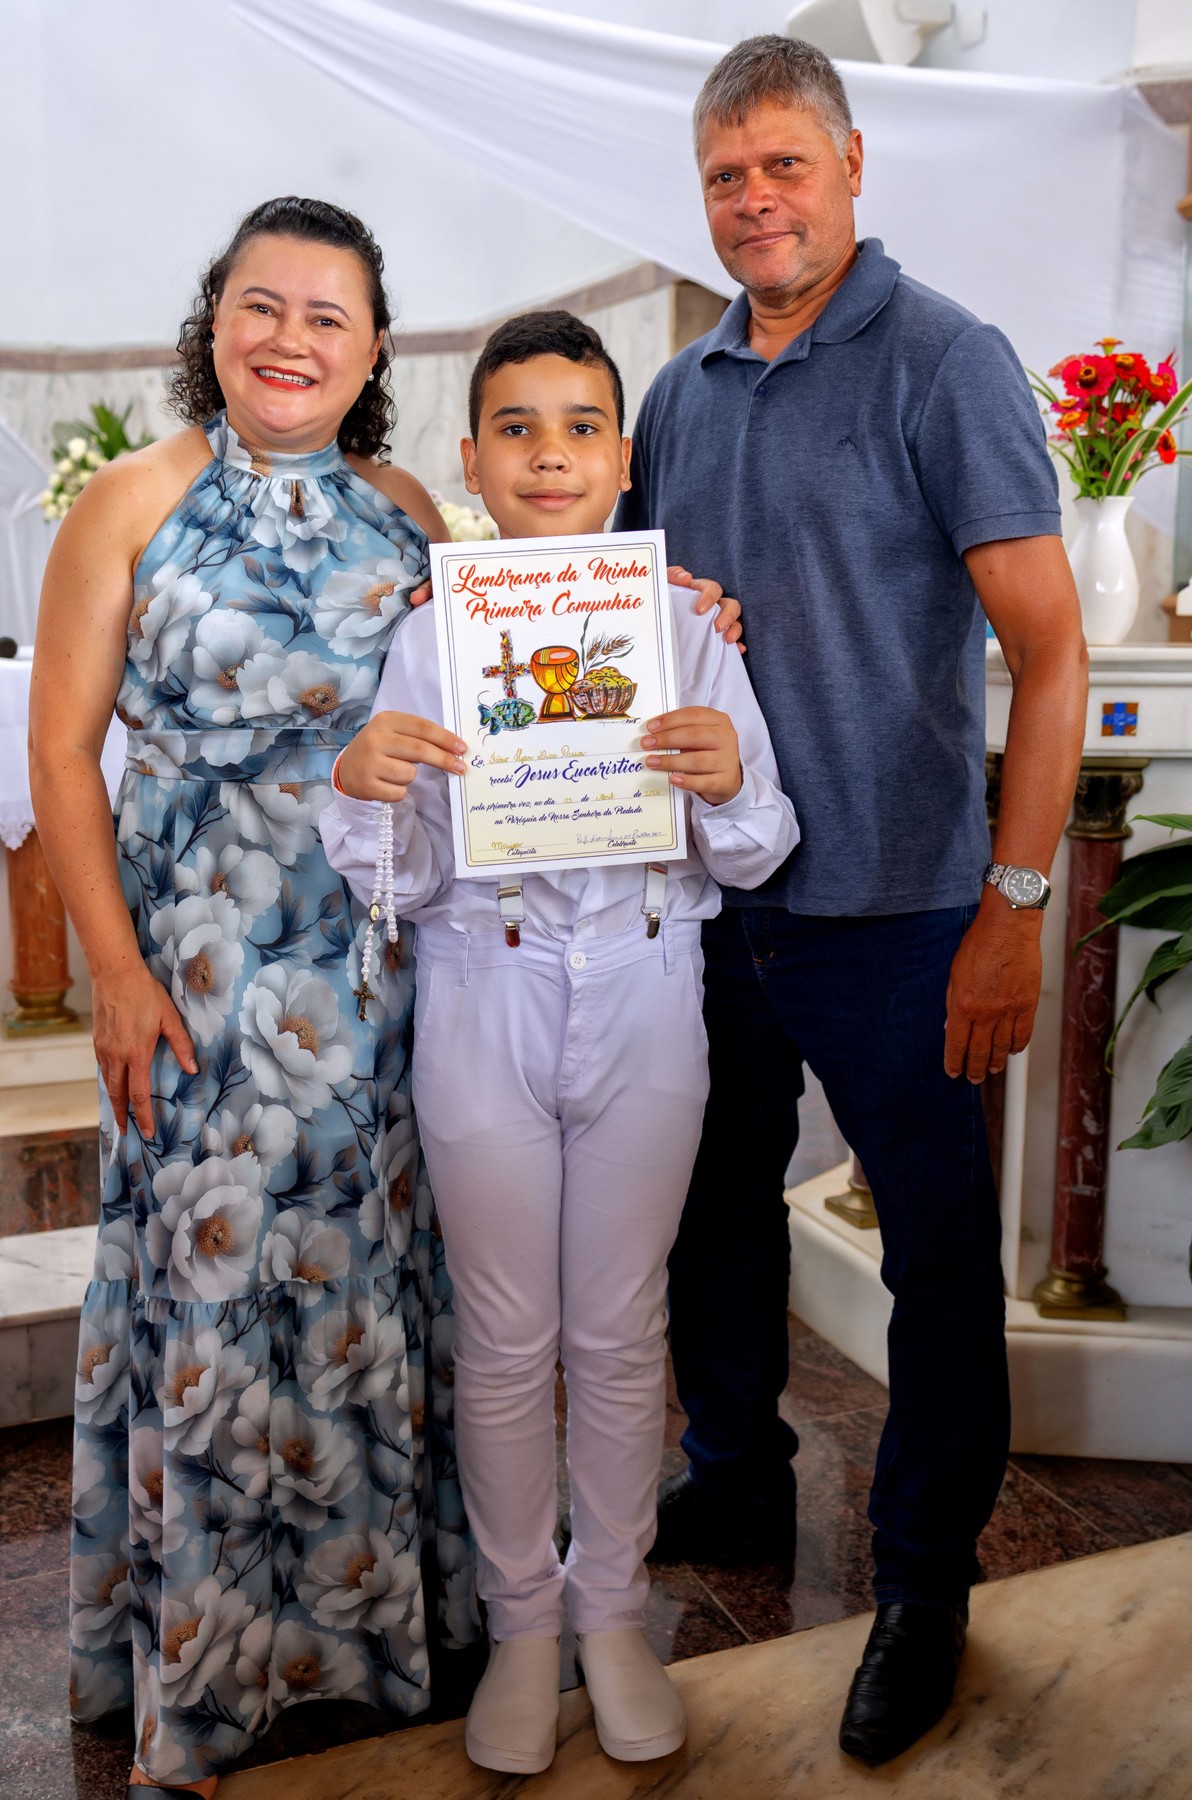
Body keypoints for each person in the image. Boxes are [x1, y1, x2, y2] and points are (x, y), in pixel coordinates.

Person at [615, 36, 1089, 1768]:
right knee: (714, 1207)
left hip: (902, 911)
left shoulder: (947, 359)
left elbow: (1053, 653)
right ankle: (737, 1471)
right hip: (713, 895)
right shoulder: (678, 393)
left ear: (852, 164)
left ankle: (923, 1579)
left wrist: (1012, 908)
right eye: (726, 176)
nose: (756, 201)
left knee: (937, 1256)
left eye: (784, 166)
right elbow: (640, 619)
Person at [32, 195, 483, 1799]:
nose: (291, 339)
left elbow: (499, 708)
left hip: (377, 987)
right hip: (198, 990)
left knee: (365, 1297)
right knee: (210, 1302)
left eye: (326, 316)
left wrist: (684, 629)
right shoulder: (130, 502)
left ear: (373, 349)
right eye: (261, 306)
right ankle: (206, 1689)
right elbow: (60, 756)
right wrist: (113, 972)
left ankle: (375, 1654)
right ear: (214, 320)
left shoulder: (408, 512)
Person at [319, 309, 799, 1776]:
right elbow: (397, 881)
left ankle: (612, 1613)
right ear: (470, 461)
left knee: (620, 1328)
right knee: (508, 1334)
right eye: (516, 429)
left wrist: (727, 779)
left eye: (581, 426)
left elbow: (759, 847)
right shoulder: (429, 638)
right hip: (486, 993)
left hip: (650, 987)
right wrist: (365, 784)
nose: (549, 454)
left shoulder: (685, 631)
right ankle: (524, 1624)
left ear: (623, 457)